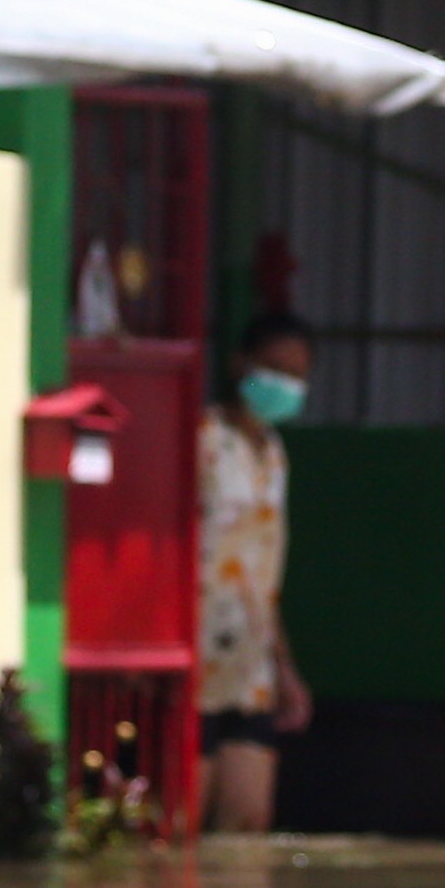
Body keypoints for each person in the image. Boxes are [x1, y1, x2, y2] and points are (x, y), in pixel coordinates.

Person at [197, 311, 314, 833]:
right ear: (240, 362)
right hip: (195, 656)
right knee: (183, 828)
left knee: (248, 822)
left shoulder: (275, 455)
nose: (283, 385)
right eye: (273, 368)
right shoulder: (202, 437)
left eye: (296, 375)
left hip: (251, 669)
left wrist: (285, 668)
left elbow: (263, 575)